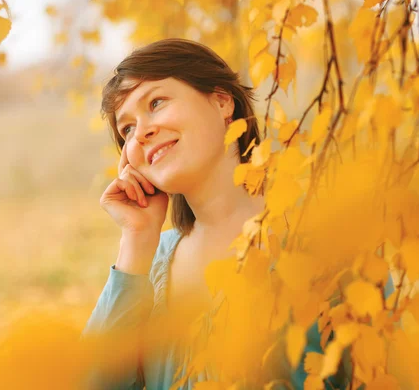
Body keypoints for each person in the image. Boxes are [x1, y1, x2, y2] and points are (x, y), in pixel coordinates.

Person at [81, 38, 393, 390]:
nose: (142, 134)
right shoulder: (147, 269)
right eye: (126, 130)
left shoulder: (333, 244)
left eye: (156, 102)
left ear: (221, 101)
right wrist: (136, 240)